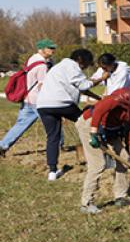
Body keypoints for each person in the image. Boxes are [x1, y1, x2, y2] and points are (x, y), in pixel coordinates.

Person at [76, 82, 130, 214]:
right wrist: (93, 133)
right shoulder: (127, 96)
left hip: (110, 129)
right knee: (98, 164)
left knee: (124, 159)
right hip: (91, 124)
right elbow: (100, 107)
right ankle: (86, 203)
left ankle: (120, 196)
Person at [35, 49, 107, 180]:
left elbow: (80, 88)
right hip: (62, 104)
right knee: (88, 123)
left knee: (53, 137)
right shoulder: (72, 66)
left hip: (43, 105)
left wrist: (97, 97)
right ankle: (101, 155)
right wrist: (102, 78)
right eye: (87, 64)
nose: (86, 67)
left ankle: (52, 171)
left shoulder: (59, 67)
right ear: (80, 60)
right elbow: (84, 85)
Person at [0, 39, 55, 158]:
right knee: (54, 125)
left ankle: (3, 146)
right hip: (38, 101)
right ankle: (60, 147)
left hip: (27, 98)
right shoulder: (42, 65)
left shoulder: (32, 59)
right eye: (50, 48)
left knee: (20, 124)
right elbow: (43, 85)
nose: (53, 50)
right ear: (41, 49)